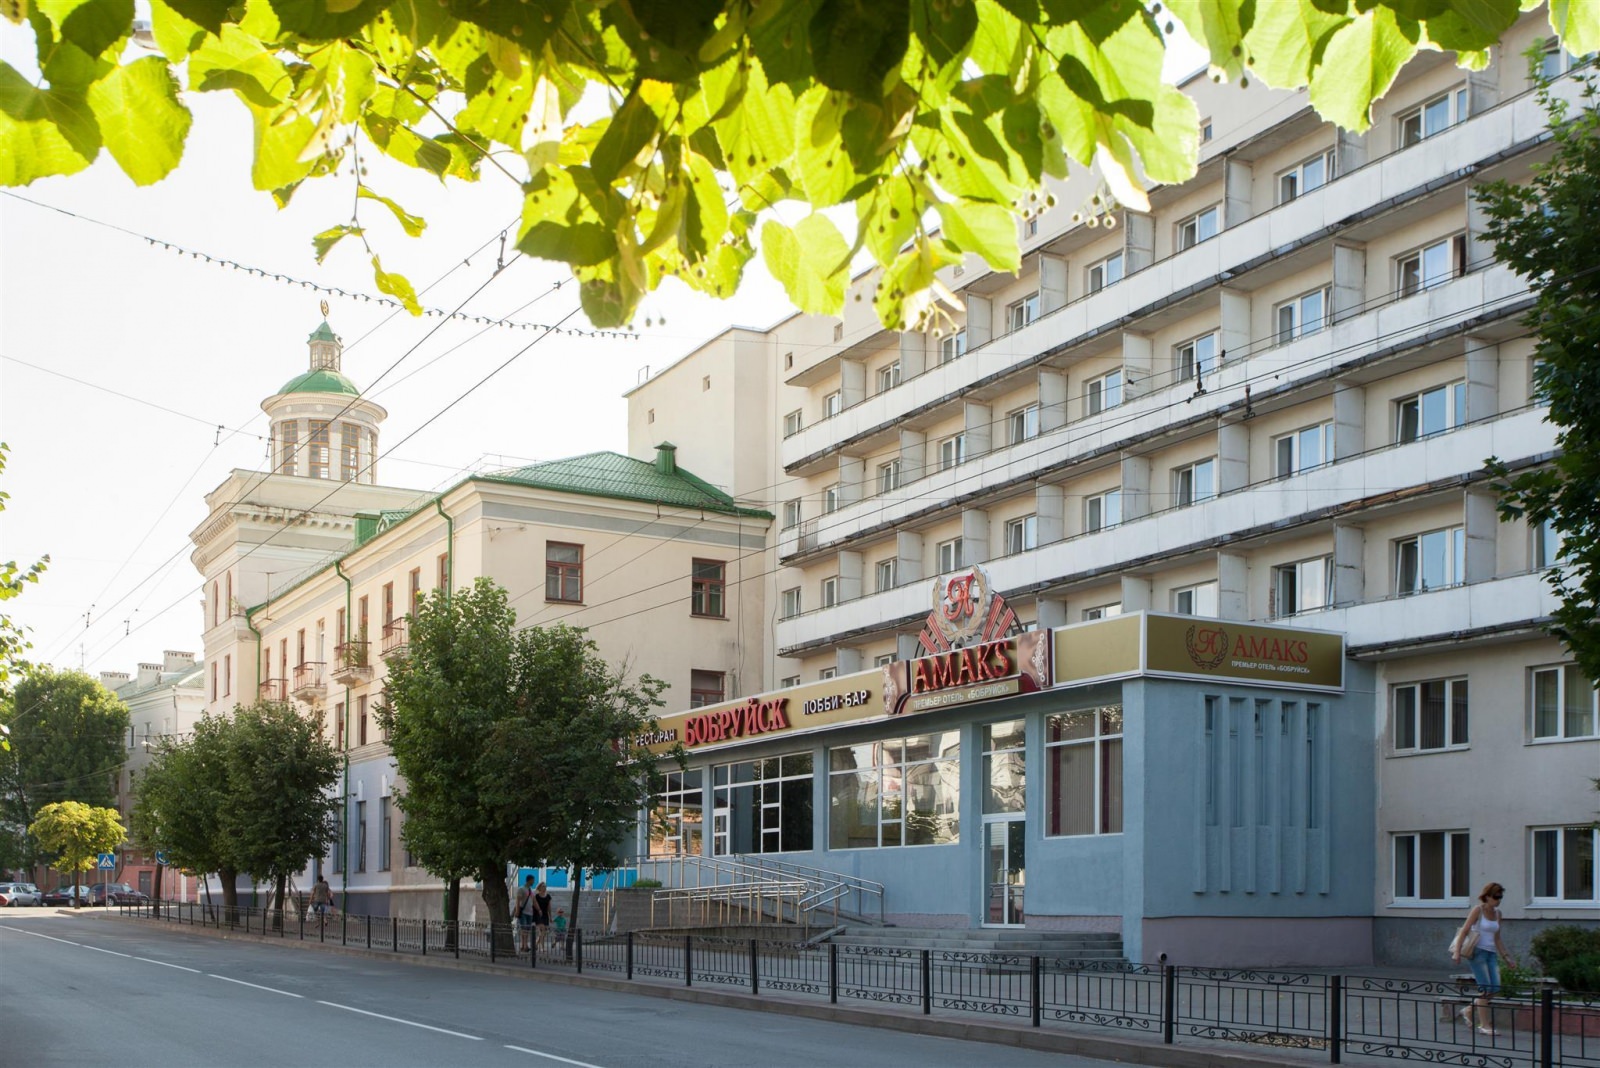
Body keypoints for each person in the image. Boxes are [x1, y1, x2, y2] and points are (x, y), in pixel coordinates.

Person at [1451, 881, 1518, 1035]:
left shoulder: (1498, 914)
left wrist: (1507, 957)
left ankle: (1468, 1010)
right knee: (1485, 988)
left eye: (1500, 897)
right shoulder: (1478, 910)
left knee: (1495, 988)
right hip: (1478, 953)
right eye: (1496, 897)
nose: (1498, 900)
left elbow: (1497, 938)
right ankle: (1484, 1025)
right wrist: (1457, 952)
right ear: (1487, 896)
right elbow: (1464, 931)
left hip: (1491, 953)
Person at [514, 875, 536, 953]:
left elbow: (534, 901)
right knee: (524, 929)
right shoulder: (521, 889)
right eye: (533, 880)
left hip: (530, 913)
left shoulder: (530, 890)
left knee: (527, 930)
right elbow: (518, 900)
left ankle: (523, 945)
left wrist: (539, 910)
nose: (533, 882)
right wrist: (517, 911)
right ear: (529, 880)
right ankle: (525, 945)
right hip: (523, 912)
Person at [533, 881, 554, 952]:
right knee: (542, 930)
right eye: (543, 886)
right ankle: (542, 947)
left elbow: (549, 908)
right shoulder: (536, 896)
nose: (544, 888)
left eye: (545, 886)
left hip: (545, 915)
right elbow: (534, 905)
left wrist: (550, 917)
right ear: (540, 888)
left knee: (543, 933)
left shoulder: (548, 896)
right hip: (538, 915)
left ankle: (536, 943)